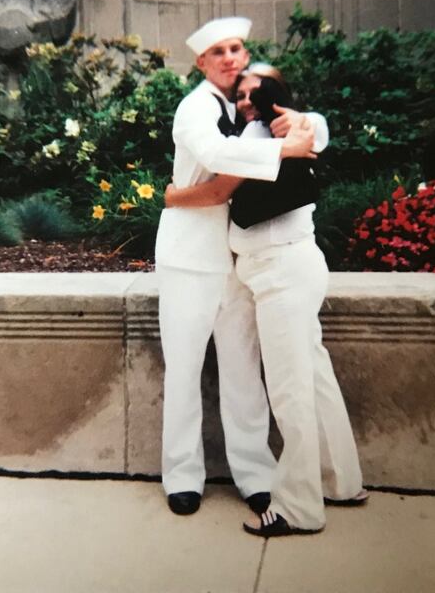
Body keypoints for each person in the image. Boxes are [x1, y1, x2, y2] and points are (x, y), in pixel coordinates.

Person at [165, 63, 368, 538]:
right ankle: (341, 482)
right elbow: (310, 132)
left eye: (256, 91)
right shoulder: (267, 134)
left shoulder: (267, 135)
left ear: (277, 94)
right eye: (240, 93)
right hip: (288, 268)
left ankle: (298, 508)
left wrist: (173, 196)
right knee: (312, 378)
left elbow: (218, 189)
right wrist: (301, 126)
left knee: (290, 391)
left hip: (281, 272)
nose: (245, 100)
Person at [154, 17, 319, 517]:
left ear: (245, 58)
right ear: (202, 63)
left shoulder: (254, 107)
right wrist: (282, 148)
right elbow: (216, 153)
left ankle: (255, 475)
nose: (230, 57)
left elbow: (313, 129)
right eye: (218, 52)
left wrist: (304, 132)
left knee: (244, 370)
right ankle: (182, 476)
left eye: (236, 49)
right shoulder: (195, 108)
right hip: (189, 256)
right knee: (183, 368)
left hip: (238, 258)